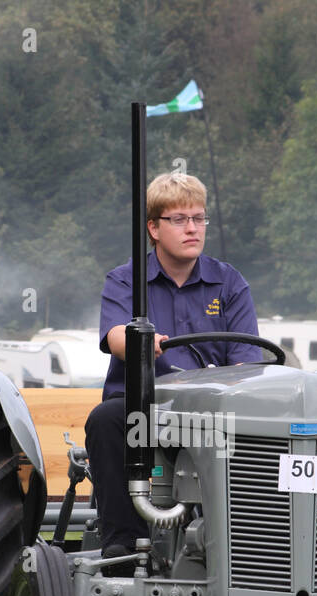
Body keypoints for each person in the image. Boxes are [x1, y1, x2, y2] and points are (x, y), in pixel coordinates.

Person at [86, 171, 261, 557]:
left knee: (265, 426)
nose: (192, 229)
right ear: (153, 227)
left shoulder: (229, 284)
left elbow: (249, 362)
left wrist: (229, 379)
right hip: (148, 410)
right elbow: (115, 336)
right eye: (179, 220)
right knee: (107, 419)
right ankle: (123, 548)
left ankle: (251, 545)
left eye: (199, 219)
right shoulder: (126, 280)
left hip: (213, 413)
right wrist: (141, 342)